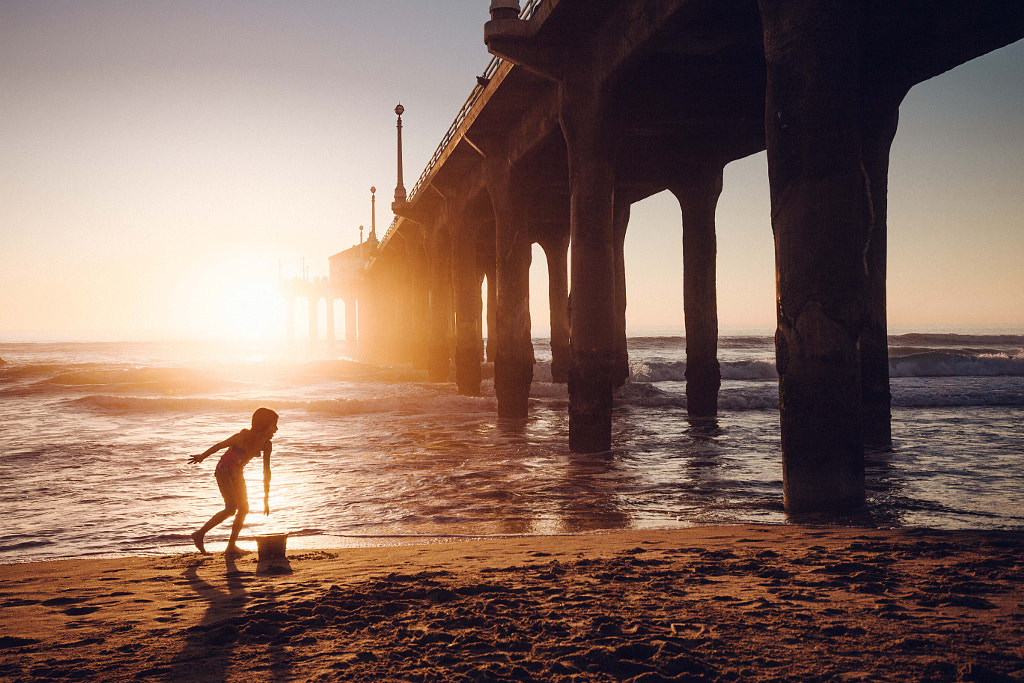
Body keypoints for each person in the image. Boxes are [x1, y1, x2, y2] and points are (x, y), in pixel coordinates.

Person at [189, 407, 279, 555]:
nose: (276, 429)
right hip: (223, 471)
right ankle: (199, 534)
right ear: (263, 425)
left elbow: (266, 471)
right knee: (231, 508)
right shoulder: (242, 437)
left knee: (244, 508)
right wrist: (202, 456)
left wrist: (266, 498)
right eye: (273, 425)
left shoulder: (267, 445)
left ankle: (231, 546)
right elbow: (220, 445)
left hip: (237, 473)